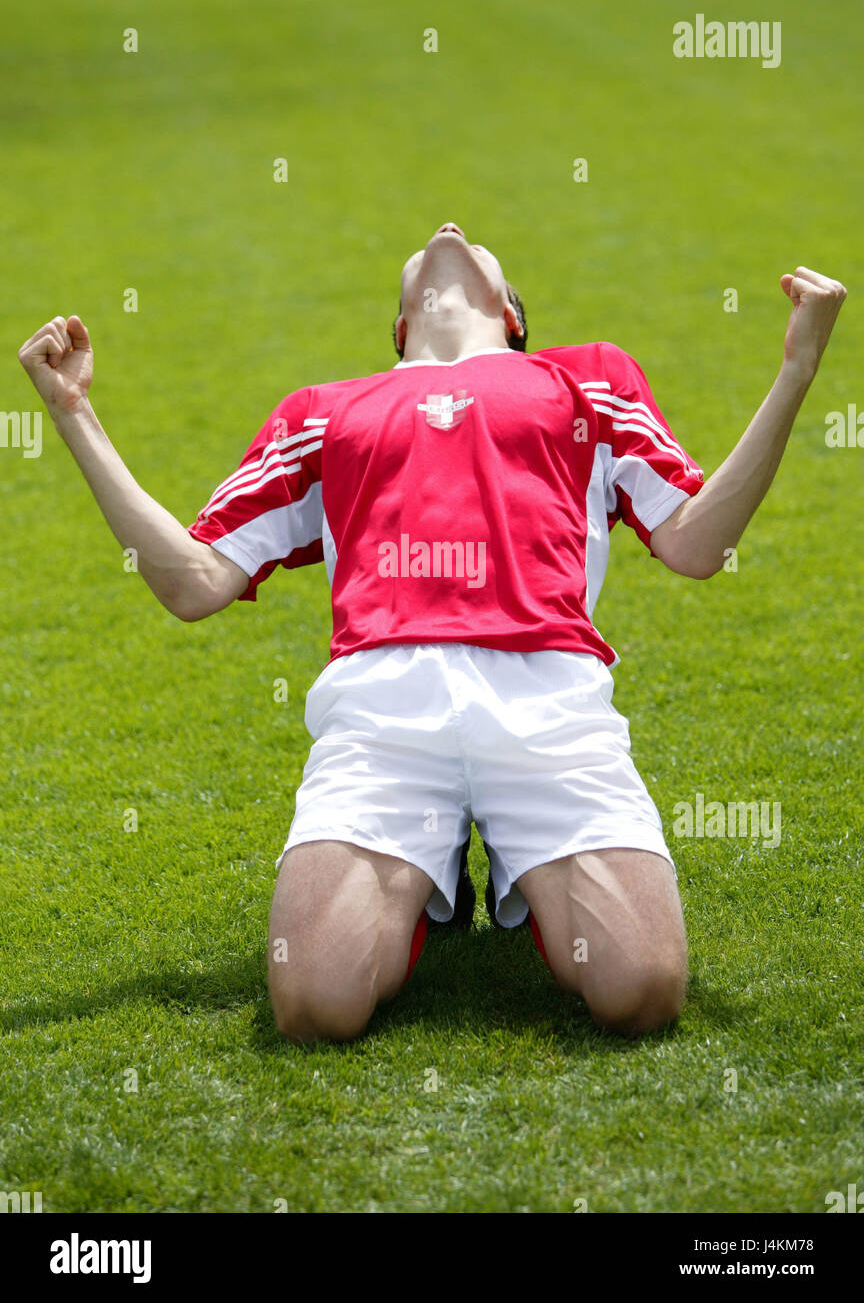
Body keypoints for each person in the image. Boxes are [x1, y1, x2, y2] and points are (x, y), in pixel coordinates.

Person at [17, 224, 846, 1043]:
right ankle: (436, 868)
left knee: (642, 991)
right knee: (314, 1007)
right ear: (401, 326)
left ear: (514, 317)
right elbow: (194, 583)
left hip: (550, 708)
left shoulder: (588, 379)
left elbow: (697, 543)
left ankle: (517, 877)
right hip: (385, 717)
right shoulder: (322, 413)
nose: (449, 225)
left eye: (479, 242)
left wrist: (796, 371)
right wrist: (73, 413)